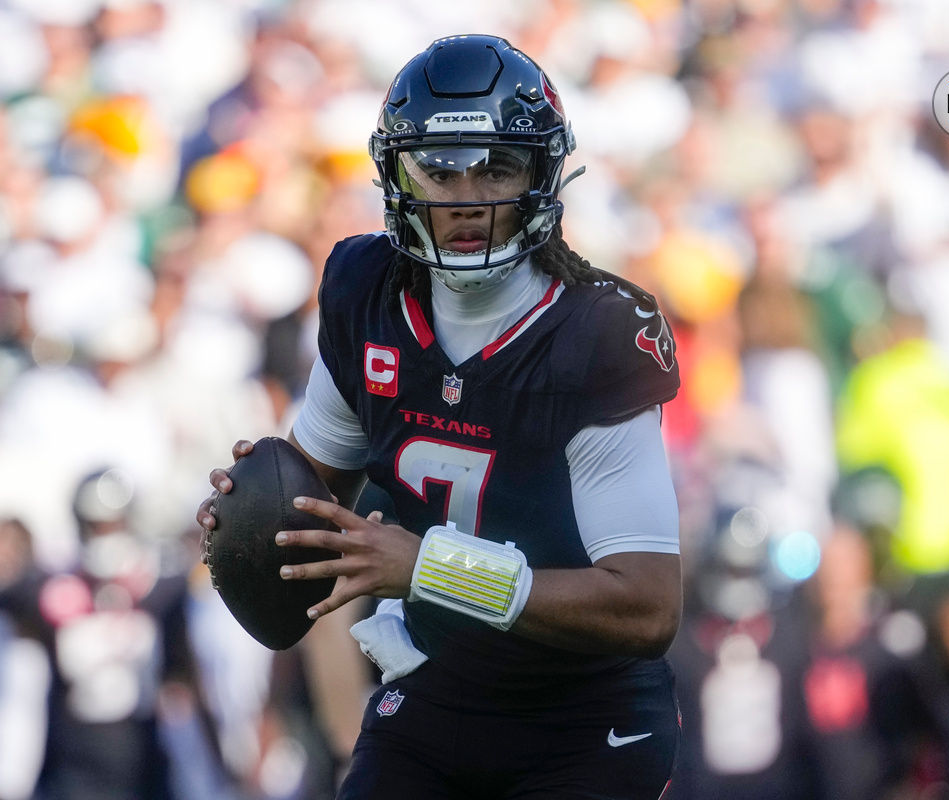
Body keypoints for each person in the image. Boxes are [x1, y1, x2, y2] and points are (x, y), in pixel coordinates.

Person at [197, 34, 683, 800]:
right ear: (397, 173)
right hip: (433, 686)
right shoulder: (365, 289)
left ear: (542, 172)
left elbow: (647, 605)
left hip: (583, 721)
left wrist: (429, 567)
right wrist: (259, 514)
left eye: (496, 166)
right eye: (441, 167)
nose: (469, 197)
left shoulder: (597, 332)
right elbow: (316, 499)